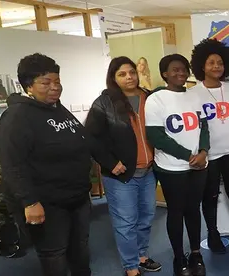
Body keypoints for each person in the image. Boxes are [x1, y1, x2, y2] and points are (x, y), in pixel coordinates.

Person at [0, 53, 106, 275]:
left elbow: (80, 138)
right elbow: (12, 165)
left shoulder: (57, 108)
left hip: (76, 197)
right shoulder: (17, 116)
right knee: (54, 255)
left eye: (57, 82)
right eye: (46, 83)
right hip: (47, 203)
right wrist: (30, 202)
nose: (55, 88)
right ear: (28, 85)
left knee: (81, 252)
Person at [85, 56, 161, 276]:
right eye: (122, 74)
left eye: (132, 72)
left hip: (148, 171)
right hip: (121, 176)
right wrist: (110, 163)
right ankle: (131, 267)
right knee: (126, 222)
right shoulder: (104, 102)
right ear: (113, 77)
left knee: (146, 217)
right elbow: (91, 138)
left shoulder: (148, 97)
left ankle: (141, 256)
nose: (129, 77)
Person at [145, 54, 209, 276]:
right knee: (176, 211)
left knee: (194, 210)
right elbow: (156, 136)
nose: (181, 73)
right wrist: (188, 156)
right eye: (175, 69)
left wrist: (203, 152)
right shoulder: (156, 99)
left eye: (184, 69)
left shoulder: (194, 96)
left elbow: (204, 128)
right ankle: (179, 257)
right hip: (172, 168)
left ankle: (195, 253)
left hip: (198, 166)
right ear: (165, 73)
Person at [189, 38, 229, 254]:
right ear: (201, 66)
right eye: (211, 62)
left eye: (220, 62)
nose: (216, 66)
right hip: (209, 155)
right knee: (210, 197)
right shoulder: (193, 94)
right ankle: (213, 233)